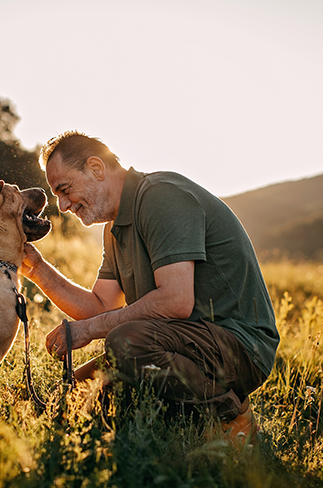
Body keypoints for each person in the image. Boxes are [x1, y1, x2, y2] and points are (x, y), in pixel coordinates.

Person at [21, 130, 279, 445]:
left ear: (97, 168)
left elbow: (175, 301)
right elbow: (101, 305)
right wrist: (36, 268)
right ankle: (173, 417)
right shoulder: (114, 229)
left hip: (238, 346)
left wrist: (88, 330)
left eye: (65, 189)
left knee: (126, 342)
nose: (61, 206)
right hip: (180, 342)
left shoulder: (161, 197)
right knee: (70, 397)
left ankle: (230, 414)